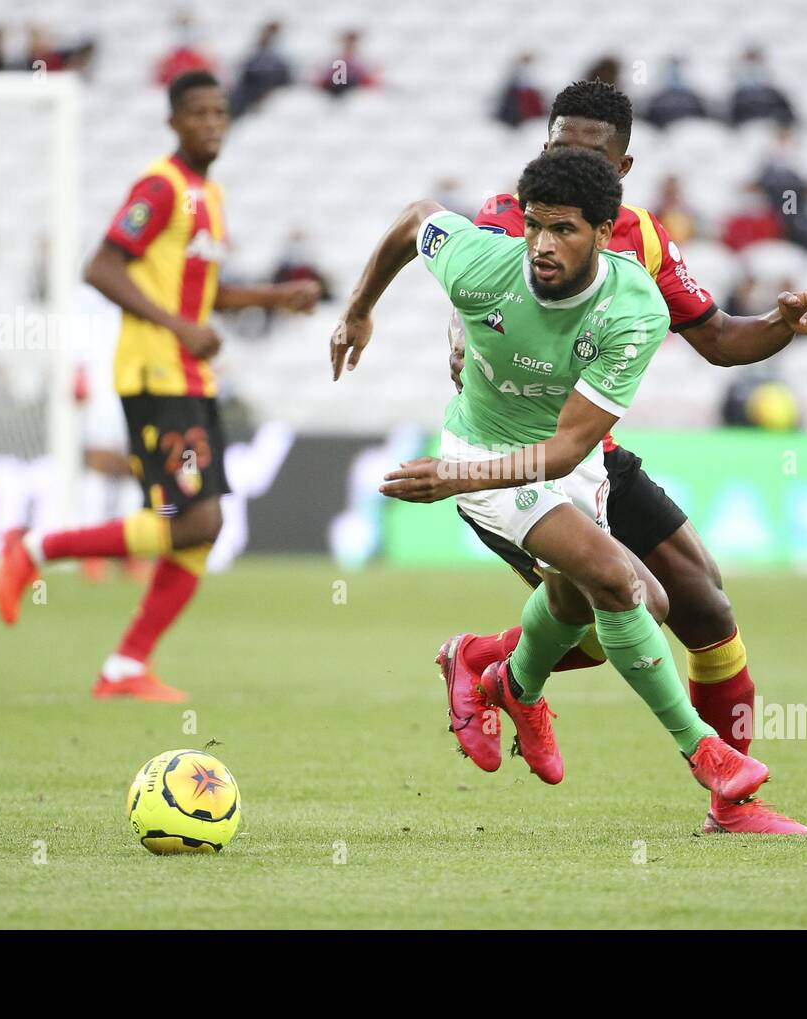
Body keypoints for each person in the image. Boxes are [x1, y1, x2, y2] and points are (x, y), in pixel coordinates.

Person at [331, 148, 779, 817]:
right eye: (535, 225)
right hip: (483, 453)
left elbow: (571, 446)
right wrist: (360, 308)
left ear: (604, 232)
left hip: (564, 460)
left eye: (564, 230)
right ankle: (708, 754)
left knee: (601, 605)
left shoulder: (636, 309)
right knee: (623, 584)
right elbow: (414, 220)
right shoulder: (480, 262)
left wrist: (452, 479)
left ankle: (509, 679)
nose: (542, 244)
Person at [440, 81, 807, 834]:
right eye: (556, 146)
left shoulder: (643, 239)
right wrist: (456, 333)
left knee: (707, 608)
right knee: (619, 605)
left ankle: (732, 803)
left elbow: (718, 338)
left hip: (596, 452)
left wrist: (784, 324)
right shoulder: (512, 218)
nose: (567, 164)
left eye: (588, 153)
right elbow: (473, 289)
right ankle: (499, 670)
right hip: (522, 461)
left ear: (623, 165)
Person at [0, 71, 319, 701]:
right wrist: (177, 327)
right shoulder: (161, 187)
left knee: (202, 527)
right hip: (156, 373)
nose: (212, 123)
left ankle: (123, 667)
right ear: (173, 121)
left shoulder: (210, 197)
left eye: (220, 113)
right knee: (193, 519)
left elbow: (206, 293)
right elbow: (100, 266)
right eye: (198, 113)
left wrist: (277, 296)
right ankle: (34, 547)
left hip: (191, 376)